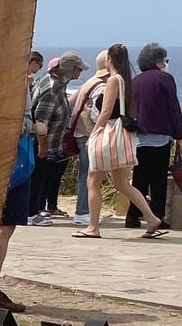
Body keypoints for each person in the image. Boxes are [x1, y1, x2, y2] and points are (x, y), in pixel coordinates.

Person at [74, 43, 163, 239]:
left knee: (93, 181)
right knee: (122, 183)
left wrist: (95, 133)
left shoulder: (114, 80)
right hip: (121, 135)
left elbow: (106, 111)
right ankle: (151, 217)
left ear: (109, 60)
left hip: (109, 133)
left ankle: (93, 226)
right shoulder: (126, 81)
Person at [0, 50, 48, 312]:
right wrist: (35, 128)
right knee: (4, 226)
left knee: (2, 226)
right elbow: (12, 122)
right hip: (12, 158)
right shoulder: (15, 81)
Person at [126, 43, 182, 229]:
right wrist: (179, 134)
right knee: (158, 180)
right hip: (160, 135)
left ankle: (133, 216)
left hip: (140, 136)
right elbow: (173, 108)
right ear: (158, 61)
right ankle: (157, 216)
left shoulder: (136, 81)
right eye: (165, 60)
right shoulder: (165, 79)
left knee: (139, 178)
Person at [28, 52, 85, 225]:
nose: (81, 73)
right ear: (72, 69)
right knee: (37, 177)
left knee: (40, 177)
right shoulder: (53, 87)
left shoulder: (55, 82)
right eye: (79, 69)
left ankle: (33, 210)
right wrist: (43, 146)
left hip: (47, 141)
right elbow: (42, 118)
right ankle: (30, 213)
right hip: (42, 142)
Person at [69, 49, 110, 224]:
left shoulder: (89, 82)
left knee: (86, 174)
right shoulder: (101, 86)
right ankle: (83, 211)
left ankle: (83, 210)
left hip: (80, 133)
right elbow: (96, 113)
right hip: (88, 134)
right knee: (90, 175)